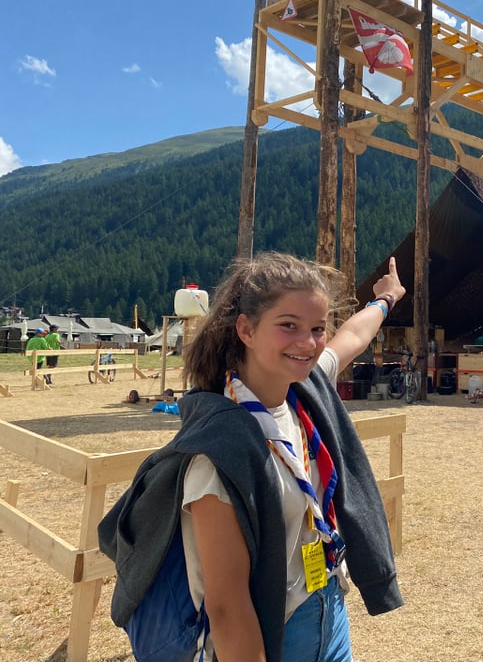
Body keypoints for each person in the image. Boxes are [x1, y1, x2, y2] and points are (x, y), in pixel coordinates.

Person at [99, 252, 405, 662]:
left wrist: (384, 299)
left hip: (329, 610)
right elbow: (228, 608)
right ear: (245, 328)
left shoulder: (303, 390)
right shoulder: (217, 454)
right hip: (276, 633)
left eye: (316, 328)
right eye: (288, 326)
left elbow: (351, 338)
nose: (308, 342)